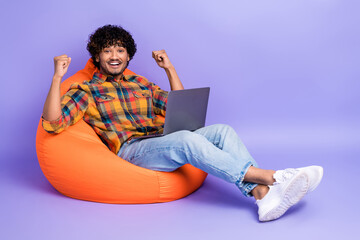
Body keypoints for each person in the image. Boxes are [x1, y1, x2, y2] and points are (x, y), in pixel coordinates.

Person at [42, 24, 323, 222]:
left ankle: (262, 197)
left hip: (161, 141)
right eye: (107, 51)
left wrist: (169, 68)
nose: (114, 56)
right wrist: (57, 77)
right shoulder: (87, 89)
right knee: (188, 140)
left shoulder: (139, 83)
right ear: (97, 56)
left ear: (128, 55)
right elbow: (53, 123)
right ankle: (274, 178)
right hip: (132, 151)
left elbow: (178, 107)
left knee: (222, 130)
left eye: (120, 50)